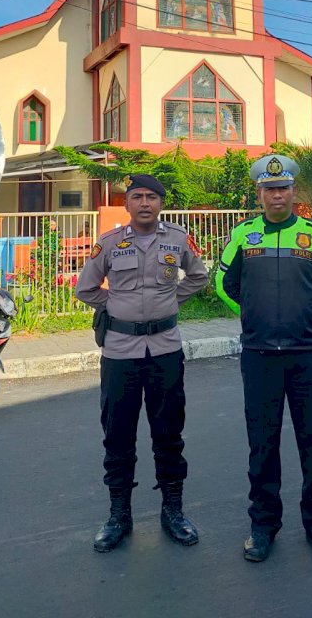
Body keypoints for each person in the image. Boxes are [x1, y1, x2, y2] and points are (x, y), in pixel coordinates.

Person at [215, 154, 312, 563]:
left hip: (308, 354)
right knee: (263, 443)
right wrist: (253, 312)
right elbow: (225, 284)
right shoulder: (243, 236)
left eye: (284, 188)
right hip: (259, 356)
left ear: (294, 192)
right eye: (269, 189)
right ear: (259, 194)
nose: (277, 195)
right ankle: (263, 527)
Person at [76, 174, 208, 552]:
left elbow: (197, 278)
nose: (145, 203)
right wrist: (115, 308)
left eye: (152, 196)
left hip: (165, 350)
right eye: (138, 197)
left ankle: (173, 511)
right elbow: (85, 288)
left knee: (169, 433)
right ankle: (119, 514)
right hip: (120, 353)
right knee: (118, 434)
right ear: (127, 204)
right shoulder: (110, 243)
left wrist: (171, 300)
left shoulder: (178, 240)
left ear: (161, 203)